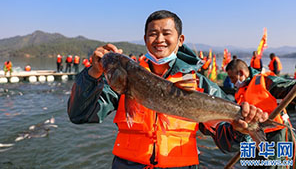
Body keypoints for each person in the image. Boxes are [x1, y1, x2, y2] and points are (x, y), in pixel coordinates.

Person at [68, 10, 269, 168]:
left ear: (180, 40)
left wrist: (240, 130)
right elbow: (79, 115)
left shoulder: (199, 84)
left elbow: (227, 144)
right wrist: (93, 74)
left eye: (166, 33)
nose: (159, 39)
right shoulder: (121, 83)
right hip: (128, 165)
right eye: (153, 34)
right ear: (145, 39)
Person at [226, 59, 296, 167]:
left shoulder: (265, 80)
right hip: (254, 137)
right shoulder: (240, 92)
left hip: (275, 134)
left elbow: (287, 87)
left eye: (232, 78)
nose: (231, 82)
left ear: (241, 73)